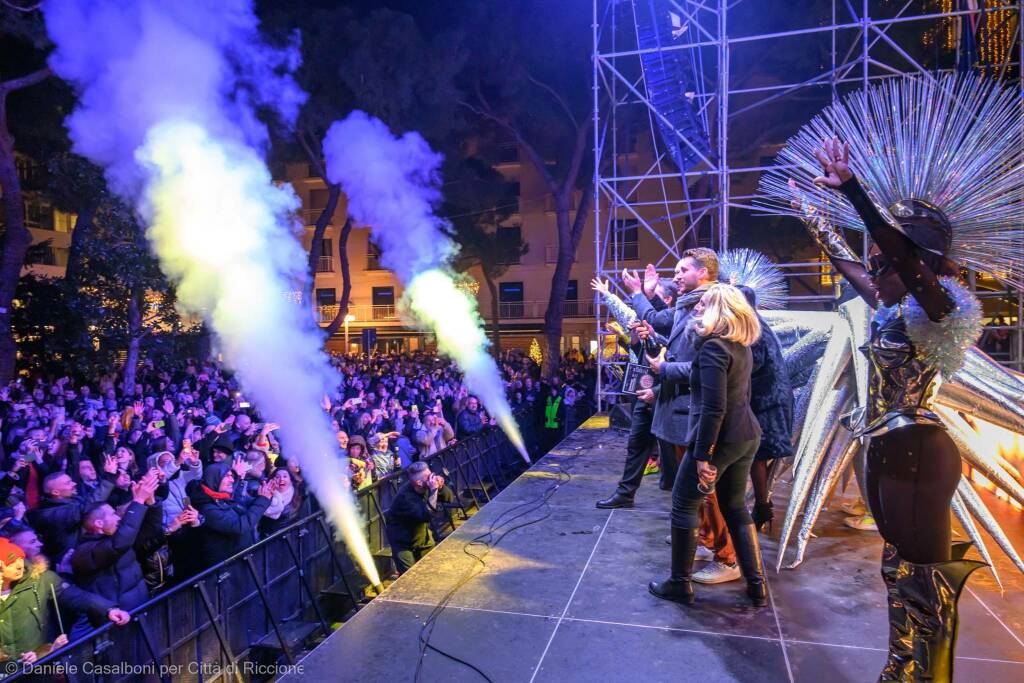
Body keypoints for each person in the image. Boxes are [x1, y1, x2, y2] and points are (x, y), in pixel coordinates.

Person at [797, 135, 988, 680]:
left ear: (916, 256)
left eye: (885, 251)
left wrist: (855, 190)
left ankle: (929, 676)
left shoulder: (940, 302)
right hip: (886, 448)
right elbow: (847, 265)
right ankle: (900, 669)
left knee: (924, 577)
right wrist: (810, 214)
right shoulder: (895, 303)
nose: (874, 259)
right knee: (897, 567)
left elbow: (900, 253)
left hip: (919, 453)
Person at [627, 249, 742, 585]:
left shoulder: (709, 309)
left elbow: (704, 365)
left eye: (682, 270)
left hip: (694, 414)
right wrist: (653, 331)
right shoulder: (689, 304)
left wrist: (665, 368)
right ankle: (708, 539)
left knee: (704, 489)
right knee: (696, 490)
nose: (674, 276)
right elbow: (676, 340)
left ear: (704, 273)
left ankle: (728, 557)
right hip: (681, 411)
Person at [648, 283, 765, 608]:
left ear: (719, 310)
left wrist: (703, 456)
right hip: (746, 435)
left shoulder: (714, 348)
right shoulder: (740, 346)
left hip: (722, 438)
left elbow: (714, 407)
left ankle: (679, 584)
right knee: (735, 507)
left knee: (684, 504)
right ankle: (757, 586)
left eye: (704, 304)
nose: (697, 308)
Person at [594, 274, 679, 509]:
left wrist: (658, 391)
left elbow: (685, 368)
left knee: (670, 452)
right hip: (645, 394)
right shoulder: (651, 323)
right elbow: (643, 350)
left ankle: (678, 502)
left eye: (655, 298)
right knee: (637, 444)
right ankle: (626, 493)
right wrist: (635, 336)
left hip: (664, 396)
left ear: (668, 302)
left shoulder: (677, 325)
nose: (649, 305)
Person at [735, 285, 794, 531]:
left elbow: (753, 365)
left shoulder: (754, 331)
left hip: (766, 404)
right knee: (759, 457)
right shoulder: (759, 326)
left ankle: (761, 507)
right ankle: (762, 506)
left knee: (757, 457)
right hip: (773, 401)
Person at [187, 462, 273, 570]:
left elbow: (240, 507)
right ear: (214, 479)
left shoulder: (221, 497)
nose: (232, 480)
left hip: (238, 561)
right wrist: (262, 500)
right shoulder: (208, 509)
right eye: (227, 476)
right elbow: (240, 526)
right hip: (225, 569)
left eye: (232, 476)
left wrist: (264, 496)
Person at [385, 462, 453, 574]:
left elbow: (449, 498)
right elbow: (426, 515)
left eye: (432, 474)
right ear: (419, 482)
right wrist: (434, 491)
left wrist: (440, 487)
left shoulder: (425, 486)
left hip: (422, 538)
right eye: (429, 477)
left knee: (431, 572)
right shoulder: (405, 498)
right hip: (403, 543)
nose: (433, 478)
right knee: (409, 577)